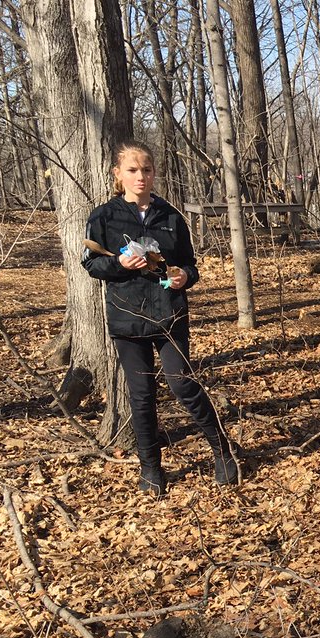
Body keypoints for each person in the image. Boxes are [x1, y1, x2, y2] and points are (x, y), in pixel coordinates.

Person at [82, 140, 239, 496]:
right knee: (141, 396)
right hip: (127, 319)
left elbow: (189, 265)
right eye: (133, 170)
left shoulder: (170, 216)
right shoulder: (103, 217)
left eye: (147, 170)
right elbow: (90, 264)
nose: (141, 177)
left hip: (169, 315)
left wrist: (185, 276)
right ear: (118, 175)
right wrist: (118, 264)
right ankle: (151, 468)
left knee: (181, 383)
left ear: (154, 173)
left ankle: (223, 451)